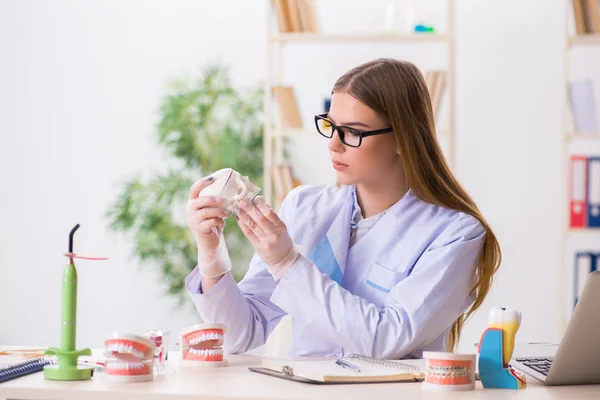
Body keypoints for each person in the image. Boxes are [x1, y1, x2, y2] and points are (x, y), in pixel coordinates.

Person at [184, 58, 501, 359]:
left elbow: (387, 338)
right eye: (330, 126)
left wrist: (287, 264)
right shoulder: (304, 206)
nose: (333, 144)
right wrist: (210, 255)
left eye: (353, 131)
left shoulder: (455, 233)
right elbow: (240, 333)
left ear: (404, 137)